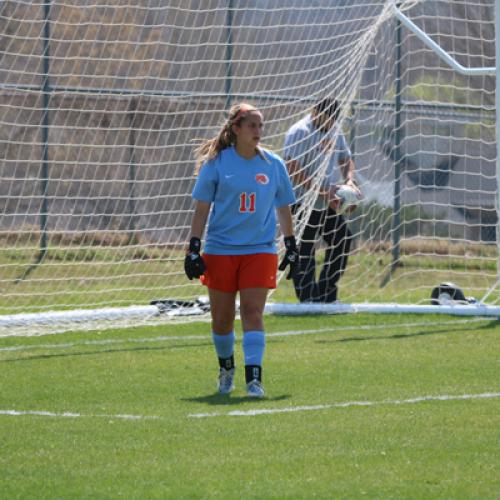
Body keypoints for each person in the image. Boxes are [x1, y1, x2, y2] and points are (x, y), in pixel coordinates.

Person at [184, 102, 298, 398]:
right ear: (236, 129)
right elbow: (201, 210)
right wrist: (194, 248)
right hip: (221, 250)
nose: (259, 131)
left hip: (260, 250)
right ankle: (226, 369)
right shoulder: (217, 163)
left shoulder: (273, 164)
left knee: (252, 312)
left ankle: (254, 379)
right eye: (252, 126)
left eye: (261, 126)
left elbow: (283, 206)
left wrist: (290, 243)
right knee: (221, 319)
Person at [284, 98, 360, 303]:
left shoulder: (334, 130)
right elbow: (292, 167)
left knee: (342, 239)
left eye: (334, 120)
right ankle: (307, 299)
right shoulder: (299, 132)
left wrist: (350, 182)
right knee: (305, 249)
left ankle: (326, 293)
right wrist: (323, 192)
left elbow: (345, 159)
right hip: (301, 201)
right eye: (328, 119)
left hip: (326, 202)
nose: (331, 124)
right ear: (316, 112)